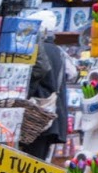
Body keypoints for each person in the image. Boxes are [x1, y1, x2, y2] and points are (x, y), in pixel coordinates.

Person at [22, 9, 68, 160]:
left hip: (36, 112)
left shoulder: (39, 49)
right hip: (50, 114)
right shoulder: (58, 50)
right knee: (38, 161)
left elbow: (40, 71)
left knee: (26, 160)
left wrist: (27, 92)